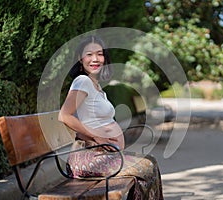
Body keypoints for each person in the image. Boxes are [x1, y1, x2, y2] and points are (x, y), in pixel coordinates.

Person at [58, 35, 164, 199]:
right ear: (80, 58)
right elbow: (64, 115)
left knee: (150, 164)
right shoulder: (82, 81)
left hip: (104, 155)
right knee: (146, 168)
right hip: (87, 157)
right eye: (89, 54)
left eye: (100, 54)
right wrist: (98, 137)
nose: (95, 59)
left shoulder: (96, 86)